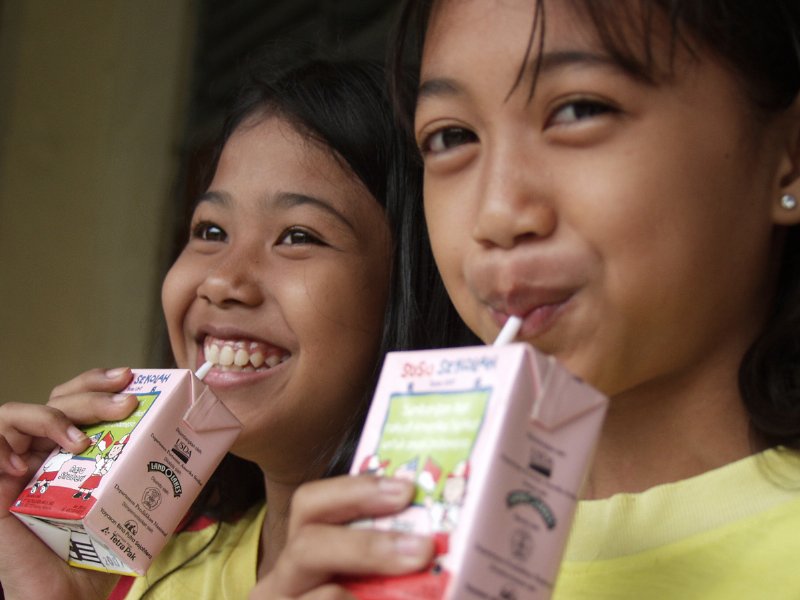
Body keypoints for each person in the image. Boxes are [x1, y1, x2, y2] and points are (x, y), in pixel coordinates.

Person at [252, 1, 800, 598]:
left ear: (789, 160)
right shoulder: (387, 559)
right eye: (451, 137)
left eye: (578, 110)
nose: (497, 214)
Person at [0, 56, 476, 600]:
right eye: (210, 229)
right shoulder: (145, 579)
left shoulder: (491, 571)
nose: (222, 279)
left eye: (297, 236)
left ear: (412, 285)